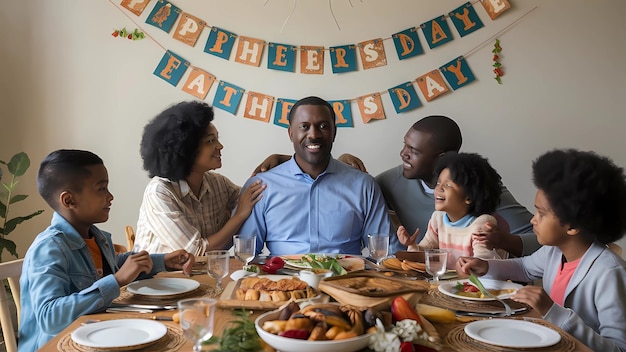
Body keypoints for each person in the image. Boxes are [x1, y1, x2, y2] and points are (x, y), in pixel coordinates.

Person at [255, 116, 539, 256]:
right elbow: (349, 186)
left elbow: (538, 238)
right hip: (429, 278)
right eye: (405, 145)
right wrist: (290, 162)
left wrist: (502, 241)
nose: (403, 154)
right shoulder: (392, 180)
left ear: (442, 159)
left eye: (413, 151)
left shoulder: (482, 186)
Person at [19, 150, 195, 351]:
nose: (110, 196)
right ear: (69, 201)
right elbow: (49, 318)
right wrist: (118, 280)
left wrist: (162, 261)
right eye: (101, 189)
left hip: (97, 337)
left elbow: (109, 266)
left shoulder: (96, 237)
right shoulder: (48, 248)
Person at [456, 149, 626, 351]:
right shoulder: (555, 251)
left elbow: (618, 348)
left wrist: (552, 311)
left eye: (541, 213)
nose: (532, 219)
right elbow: (524, 268)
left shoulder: (609, 273)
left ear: (572, 226)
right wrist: (485, 266)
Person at [238, 96, 392, 256]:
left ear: (334, 133)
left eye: (323, 126)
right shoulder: (261, 186)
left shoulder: (363, 185)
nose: (314, 134)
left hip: (346, 278)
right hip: (281, 278)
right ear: (291, 134)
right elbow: (245, 255)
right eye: (304, 126)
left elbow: (386, 253)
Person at [134, 101, 265, 255]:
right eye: (211, 141)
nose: (220, 146)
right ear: (185, 149)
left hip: (200, 275)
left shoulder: (218, 183)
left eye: (217, 139)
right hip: (160, 277)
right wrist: (239, 216)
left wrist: (277, 160)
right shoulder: (159, 192)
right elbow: (195, 251)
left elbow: (252, 200)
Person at [398, 152, 508, 265]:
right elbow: (426, 251)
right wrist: (412, 245)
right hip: (448, 281)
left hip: (474, 281)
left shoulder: (481, 224)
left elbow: (483, 262)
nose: (439, 189)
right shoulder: (438, 218)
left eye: (448, 185)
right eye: (438, 183)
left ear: (469, 197)